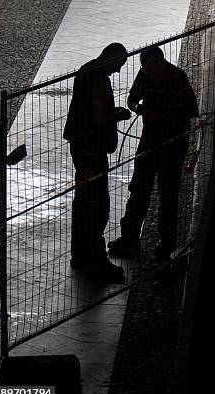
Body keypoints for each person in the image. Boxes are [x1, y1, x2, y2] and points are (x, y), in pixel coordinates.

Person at [108, 47, 199, 260]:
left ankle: (166, 243)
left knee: (168, 194)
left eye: (152, 69)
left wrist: (164, 116)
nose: (148, 73)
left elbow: (191, 111)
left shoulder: (178, 77)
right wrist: (136, 107)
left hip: (173, 143)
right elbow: (132, 97)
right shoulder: (145, 74)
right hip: (150, 139)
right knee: (139, 189)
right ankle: (129, 239)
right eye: (145, 69)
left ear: (161, 62)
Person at [63, 42, 131, 281]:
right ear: (111, 58)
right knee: (97, 204)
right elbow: (100, 115)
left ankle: (80, 255)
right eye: (120, 64)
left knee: (82, 200)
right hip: (92, 148)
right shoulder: (100, 79)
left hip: (79, 144)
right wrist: (119, 114)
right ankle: (96, 260)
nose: (120, 70)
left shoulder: (85, 70)